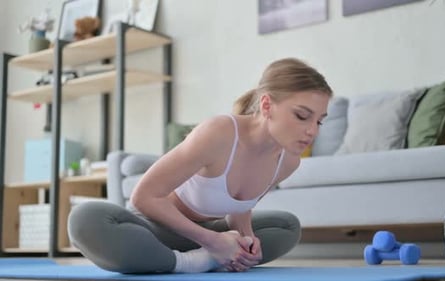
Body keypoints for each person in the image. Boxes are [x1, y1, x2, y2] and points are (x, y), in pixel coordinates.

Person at [68, 57, 333, 274]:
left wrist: (247, 241)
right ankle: (196, 262)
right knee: (84, 220)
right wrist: (213, 243)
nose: (312, 131)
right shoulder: (219, 132)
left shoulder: (288, 161)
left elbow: (241, 207)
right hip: (160, 230)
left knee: (287, 226)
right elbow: (143, 197)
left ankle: (204, 258)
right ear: (267, 105)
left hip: (210, 231)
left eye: (319, 121)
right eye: (302, 116)